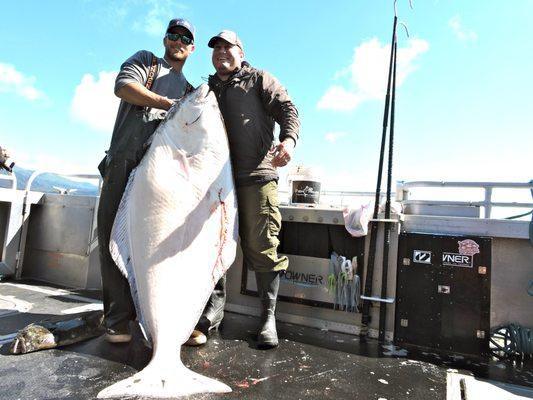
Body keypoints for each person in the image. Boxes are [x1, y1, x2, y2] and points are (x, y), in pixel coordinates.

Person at [187, 30, 300, 348]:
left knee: (263, 247)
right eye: (216, 48)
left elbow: (289, 110)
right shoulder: (206, 90)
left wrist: (288, 142)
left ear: (241, 50)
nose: (221, 51)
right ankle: (210, 314)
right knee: (212, 247)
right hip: (215, 184)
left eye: (227, 46)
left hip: (256, 178)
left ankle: (267, 318)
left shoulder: (259, 79)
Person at [97, 18, 196, 343]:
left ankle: (152, 315)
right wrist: (167, 105)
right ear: (165, 39)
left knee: (153, 244)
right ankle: (117, 318)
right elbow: (123, 87)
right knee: (113, 235)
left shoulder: (190, 91)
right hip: (124, 162)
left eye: (185, 38)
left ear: (191, 48)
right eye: (173, 34)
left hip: (160, 179)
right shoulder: (146, 62)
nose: (178, 40)